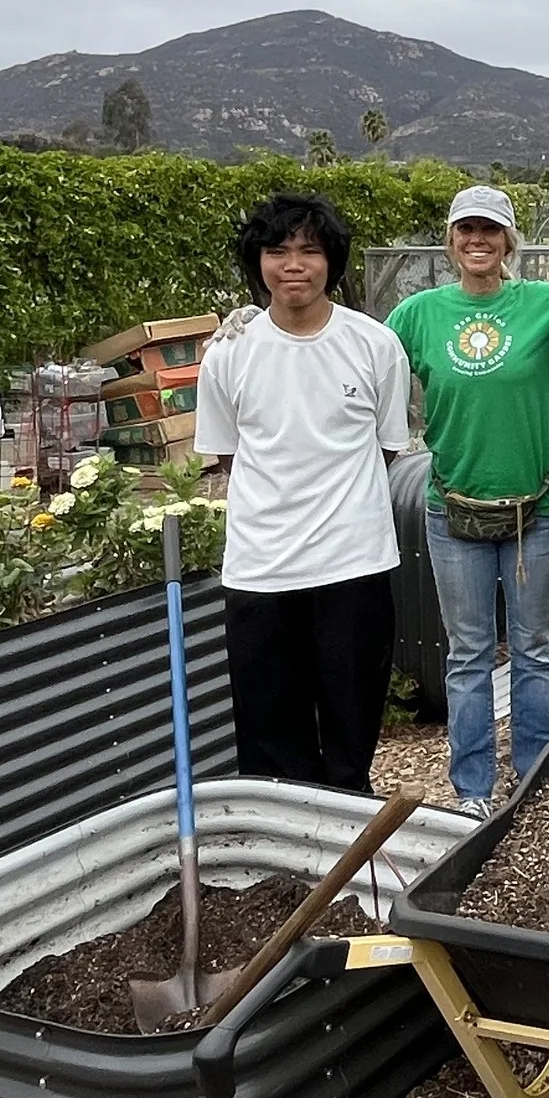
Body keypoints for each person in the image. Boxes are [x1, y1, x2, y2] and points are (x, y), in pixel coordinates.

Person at [192, 193, 412, 791]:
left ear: (331, 262)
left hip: (353, 563)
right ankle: (282, 845)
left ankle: (349, 833)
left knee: (350, 732)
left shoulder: (374, 345)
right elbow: (230, 455)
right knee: (269, 741)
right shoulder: (229, 353)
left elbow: (387, 446)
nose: (293, 265)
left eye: (309, 251)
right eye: (277, 250)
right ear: (257, 262)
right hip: (261, 569)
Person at [384, 186, 549, 817]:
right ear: (451, 239)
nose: (478, 241)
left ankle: (536, 778)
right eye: (466, 229)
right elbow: (358, 360)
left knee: (535, 650)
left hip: (535, 513)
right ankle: (472, 791)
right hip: (453, 510)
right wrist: (253, 329)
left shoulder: (548, 304)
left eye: (490, 230)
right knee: (466, 656)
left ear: (509, 240)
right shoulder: (418, 314)